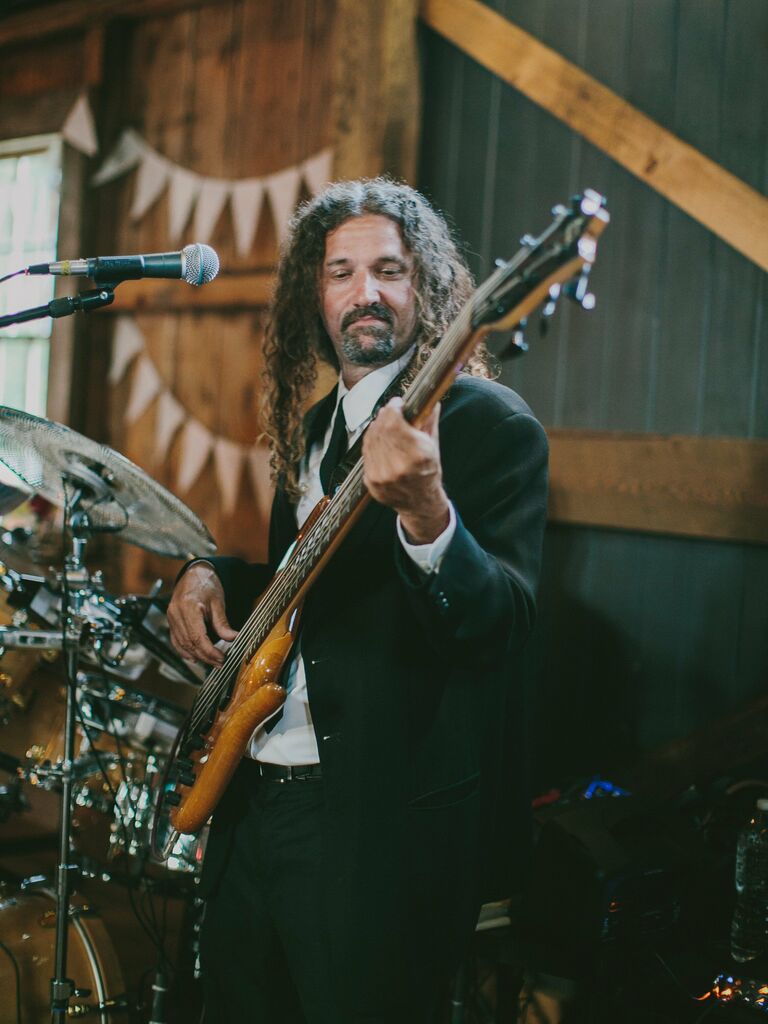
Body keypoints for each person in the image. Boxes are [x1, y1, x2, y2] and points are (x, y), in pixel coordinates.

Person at [167, 178, 549, 1024]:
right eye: (341, 272)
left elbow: (503, 627)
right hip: (253, 800)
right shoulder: (311, 431)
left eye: (390, 269)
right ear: (316, 292)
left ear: (432, 290)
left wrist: (426, 512)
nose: (365, 292)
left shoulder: (487, 425)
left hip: (378, 829)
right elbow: (302, 589)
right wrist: (206, 570)